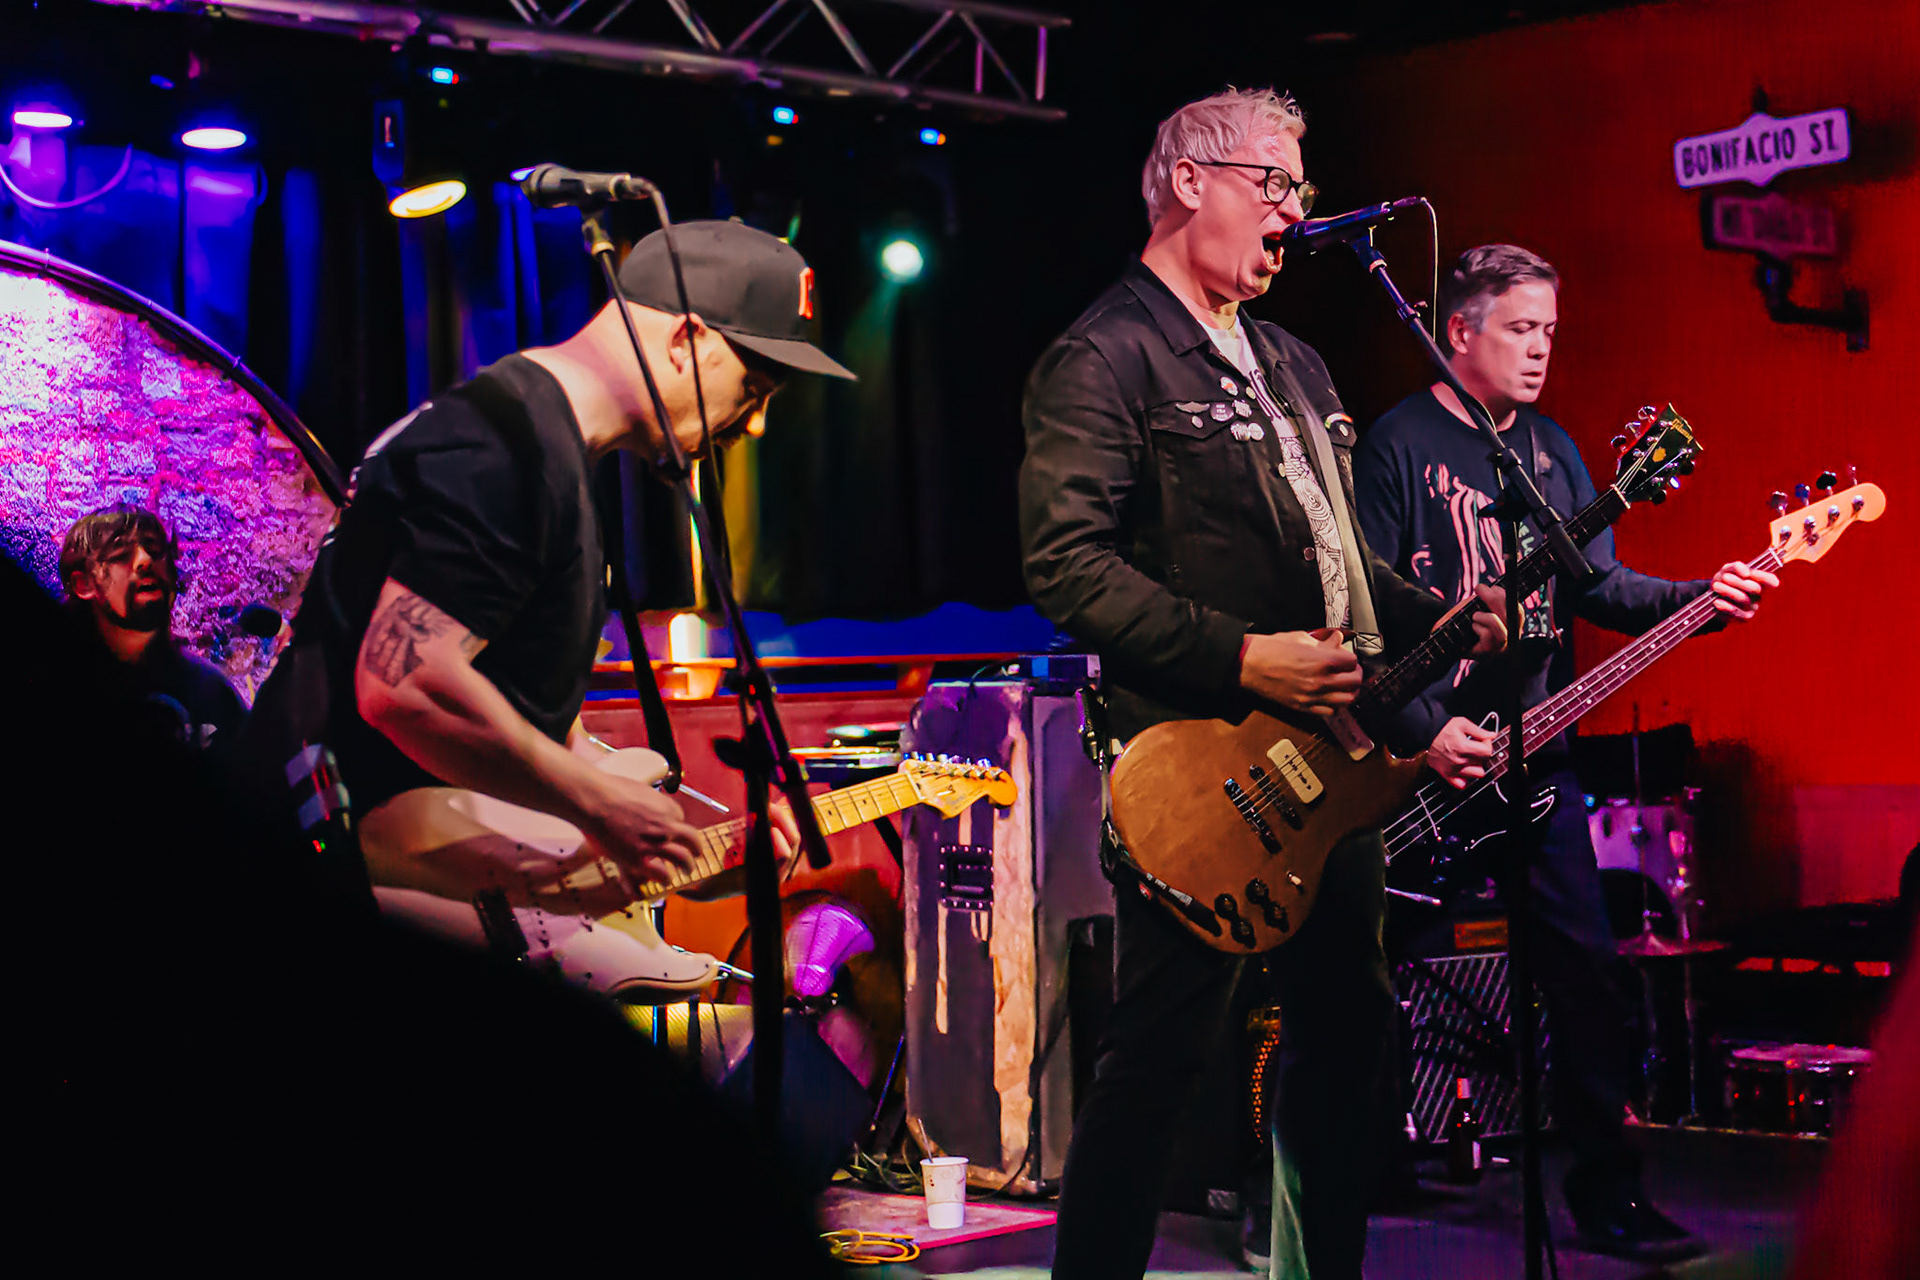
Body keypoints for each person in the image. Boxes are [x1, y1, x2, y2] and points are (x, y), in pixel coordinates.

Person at [1019, 87, 1508, 1280]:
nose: (1294, 212)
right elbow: (1065, 564)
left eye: (1302, 189)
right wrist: (1239, 653)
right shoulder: (1104, 355)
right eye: (1273, 184)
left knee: (1349, 1038)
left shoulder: (1292, 359)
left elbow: (1342, 554)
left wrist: (1432, 613)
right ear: (1190, 182)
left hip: (1331, 765)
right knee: (1161, 1060)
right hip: (1197, 769)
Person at [1352, 243, 1777, 1264]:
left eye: (1549, 330)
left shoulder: (1548, 452)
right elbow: (1362, 615)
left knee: (1587, 972)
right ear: (1459, 331)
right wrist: (1424, 732)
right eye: (1519, 329)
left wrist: (1704, 599)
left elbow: (1599, 585)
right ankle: (1349, 1167)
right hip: (1421, 768)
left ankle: (1607, 1193)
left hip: (1540, 765)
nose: (1540, 349)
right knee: (1364, 974)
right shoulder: (1397, 445)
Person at [250, 220, 852, 920]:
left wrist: (685, 850)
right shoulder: (507, 441)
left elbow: (532, 737)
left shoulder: (549, 453)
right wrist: (597, 805)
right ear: (687, 341)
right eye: (754, 387)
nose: (755, 425)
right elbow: (404, 686)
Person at [60, 503, 248, 765]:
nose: (144, 560)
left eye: (154, 549)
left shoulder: (211, 689)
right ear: (84, 583)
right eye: (121, 552)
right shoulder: (59, 685)